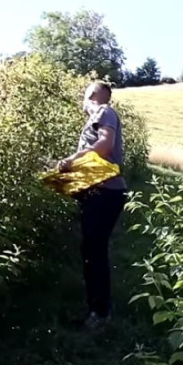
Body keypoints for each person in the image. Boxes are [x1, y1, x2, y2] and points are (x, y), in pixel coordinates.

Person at [57, 82, 127, 330]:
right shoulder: (100, 116)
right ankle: (98, 309)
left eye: (85, 97)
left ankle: (100, 314)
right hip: (99, 192)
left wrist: (72, 159)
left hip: (105, 192)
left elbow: (105, 146)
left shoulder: (104, 111)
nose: (83, 103)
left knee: (94, 253)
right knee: (92, 251)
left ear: (93, 96)